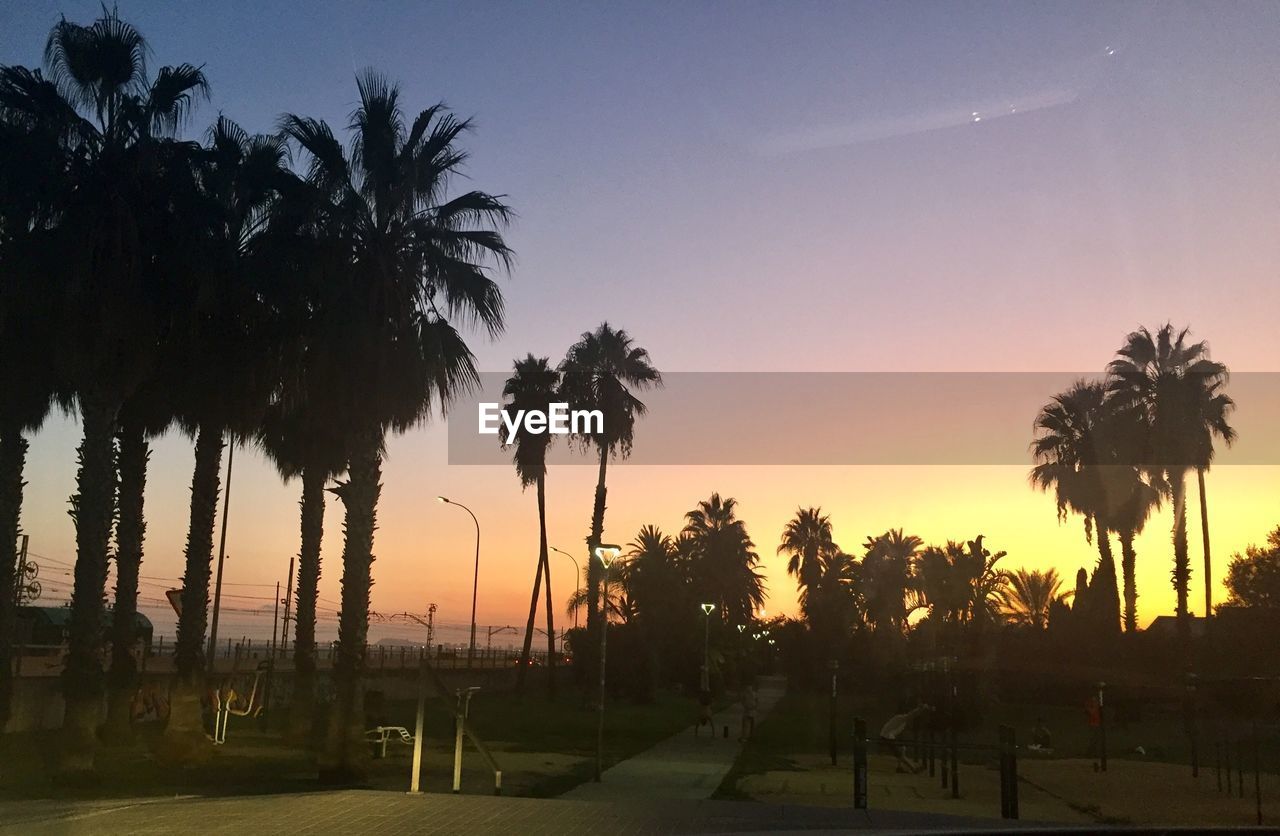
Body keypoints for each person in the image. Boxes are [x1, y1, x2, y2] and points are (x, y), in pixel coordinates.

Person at [879, 704, 932, 773]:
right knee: (900, 754)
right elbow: (912, 714)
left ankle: (900, 767)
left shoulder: (902, 721)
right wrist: (920, 708)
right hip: (887, 737)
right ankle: (913, 768)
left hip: (889, 737)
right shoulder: (900, 718)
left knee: (902, 749)